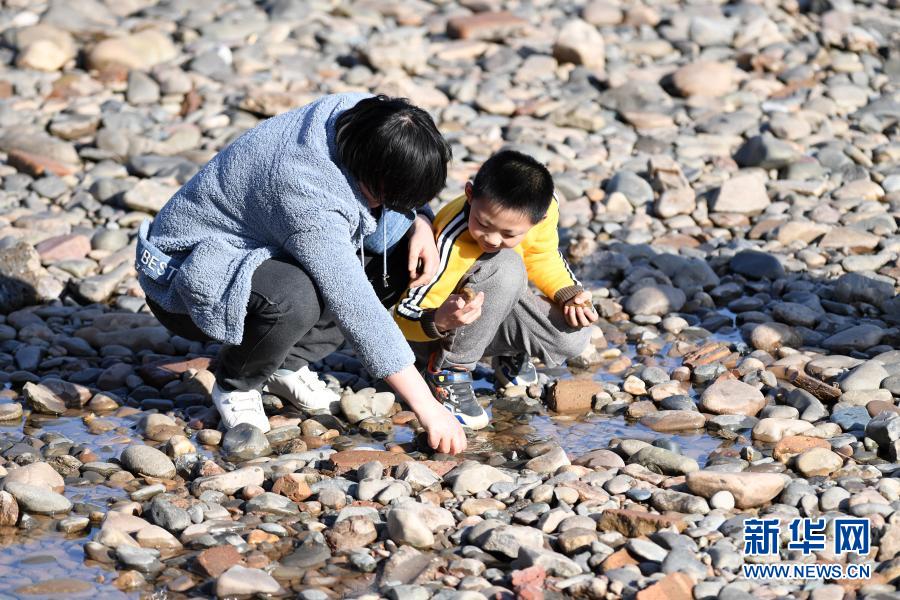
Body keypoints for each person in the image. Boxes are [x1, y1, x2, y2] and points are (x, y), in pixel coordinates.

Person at [136, 92, 467, 455]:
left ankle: (285, 364)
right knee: (294, 296)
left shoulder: (363, 114)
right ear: (368, 171)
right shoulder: (306, 194)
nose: (389, 206)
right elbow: (356, 307)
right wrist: (428, 408)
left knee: (400, 245)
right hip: (185, 277)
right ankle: (236, 382)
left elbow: (399, 187)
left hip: (262, 243)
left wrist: (419, 219)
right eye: (386, 196)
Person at [392, 150, 598, 429]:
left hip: (488, 307)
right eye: (483, 224)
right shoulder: (452, 238)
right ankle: (449, 371)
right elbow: (403, 314)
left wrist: (569, 293)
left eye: (509, 234)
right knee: (507, 264)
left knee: (574, 334)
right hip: (431, 333)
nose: (491, 238)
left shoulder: (542, 207)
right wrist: (439, 320)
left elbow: (542, 255)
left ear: (538, 219)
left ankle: (509, 350)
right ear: (469, 195)